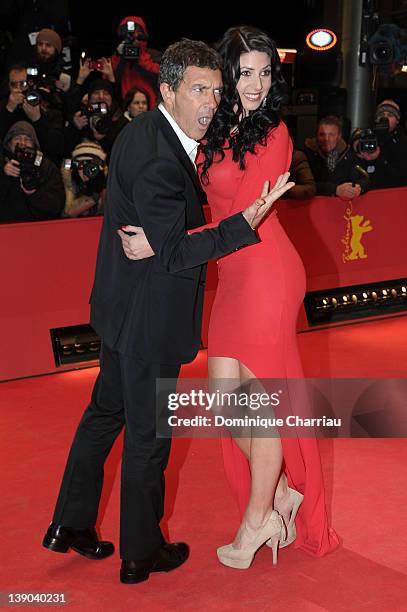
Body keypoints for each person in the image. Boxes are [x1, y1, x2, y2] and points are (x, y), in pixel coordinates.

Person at [42, 38, 293, 585]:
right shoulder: (159, 156)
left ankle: (71, 525)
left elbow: (165, 237)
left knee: (104, 415)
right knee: (148, 438)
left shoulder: (145, 133)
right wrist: (242, 222)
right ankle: (141, 553)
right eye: (199, 90)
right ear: (169, 90)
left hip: (118, 309)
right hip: (147, 320)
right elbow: (177, 251)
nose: (210, 102)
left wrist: (164, 238)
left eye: (216, 90)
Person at [121, 26, 339, 570]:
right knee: (227, 402)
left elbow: (245, 219)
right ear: (227, 74)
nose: (256, 85)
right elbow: (206, 208)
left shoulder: (275, 134)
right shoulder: (217, 129)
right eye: (245, 73)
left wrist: (163, 242)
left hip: (267, 270)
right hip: (232, 273)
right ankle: (281, 490)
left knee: (257, 406)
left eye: (266, 73)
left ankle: (257, 521)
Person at [0, 120, 64, 222]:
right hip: (5, 228)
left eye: (27, 139)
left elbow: (56, 206)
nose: (22, 143)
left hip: (37, 227)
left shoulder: (46, 167)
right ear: (9, 143)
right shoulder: (2, 165)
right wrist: (4, 176)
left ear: (34, 144)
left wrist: (33, 193)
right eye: (17, 138)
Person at [303, 115, 370, 200]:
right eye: (322, 134)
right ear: (316, 136)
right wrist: (335, 190)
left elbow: (364, 179)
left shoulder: (348, 154)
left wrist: (358, 188)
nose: (326, 139)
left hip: (342, 209)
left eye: (331, 135)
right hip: (312, 208)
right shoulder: (307, 154)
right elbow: (304, 185)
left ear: (339, 136)